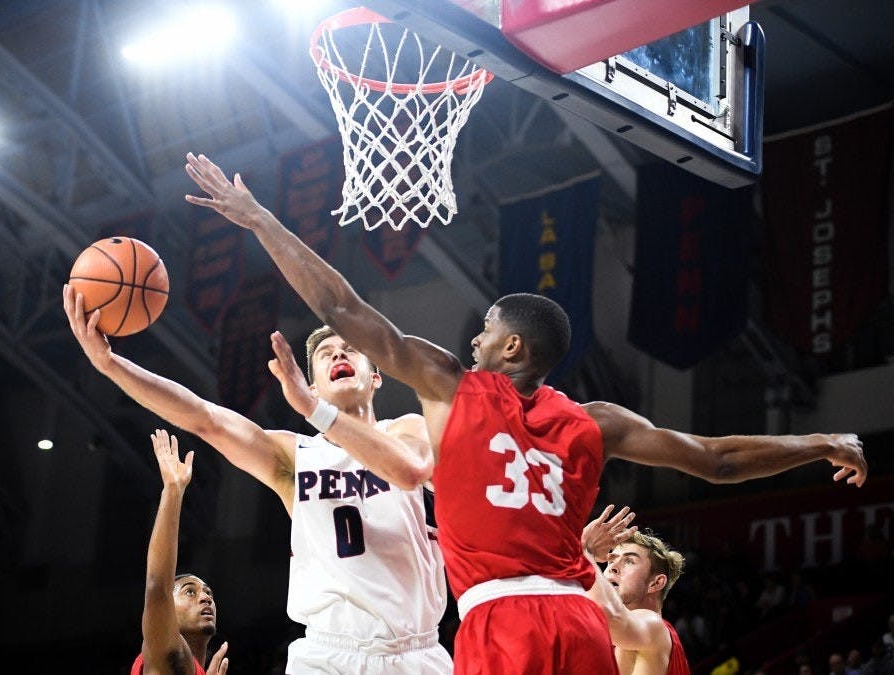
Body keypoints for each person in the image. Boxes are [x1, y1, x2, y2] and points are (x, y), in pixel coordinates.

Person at [183, 151, 868, 674]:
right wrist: (819, 438)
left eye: (485, 329)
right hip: (580, 619)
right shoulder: (597, 418)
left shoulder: (454, 386)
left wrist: (260, 220)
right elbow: (715, 459)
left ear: (511, 345)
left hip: (502, 618)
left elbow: (342, 310)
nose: (473, 338)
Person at [62, 287, 451, 674]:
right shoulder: (293, 456)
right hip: (329, 653)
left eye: (350, 348)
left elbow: (411, 467)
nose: (338, 353)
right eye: (325, 352)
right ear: (311, 385)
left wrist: (314, 411)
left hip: (416, 650)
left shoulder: (407, 430)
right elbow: (205, 418)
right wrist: (110, 364)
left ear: (376, 377)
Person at [132, 428, 229, 675]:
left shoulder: (191, 668)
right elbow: (157, 586)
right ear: (168, 610)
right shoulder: (166, 653)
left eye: (208, 593)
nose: (206, 598)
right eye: (190, 592)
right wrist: (173, 489)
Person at [581, 505, 691, 675]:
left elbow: (607, 615)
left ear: (656, 583)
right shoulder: (618, 641)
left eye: (629, 561)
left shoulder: (653, 626)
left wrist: (583, 551)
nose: (613, 568)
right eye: (610, 561)